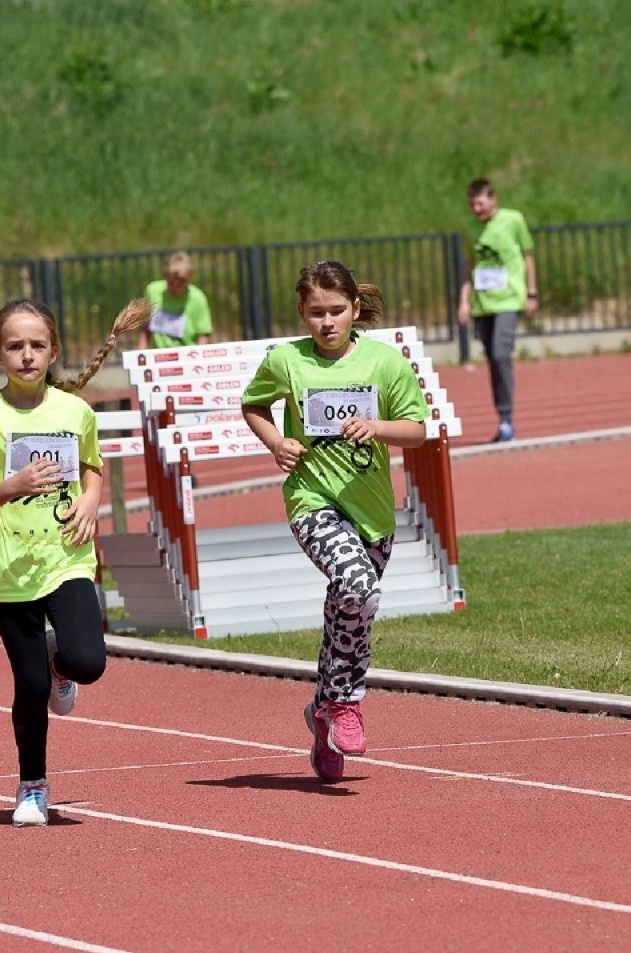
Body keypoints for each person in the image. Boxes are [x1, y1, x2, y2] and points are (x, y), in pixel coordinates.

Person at [240, 261, 429, 783]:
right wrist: (277, 441)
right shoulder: (286, 361)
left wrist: (376, 426)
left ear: (355, 311)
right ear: (302, 313)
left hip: (372, 511)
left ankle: (323, 710)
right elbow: (253, 405)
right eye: (316, 312)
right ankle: (346, 704)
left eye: (337, 311)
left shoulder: (385, 364)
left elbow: (416, 430)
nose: (327, 322)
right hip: (312, 499)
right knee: (356, 585)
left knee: (352, 607)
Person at [0, 297, 114, 827]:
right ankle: (32, 785)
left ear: (53, 351)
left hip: (66, 558)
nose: (26, 355)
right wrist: (11, 486)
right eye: (14, 346)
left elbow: (93, 468)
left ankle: (59, 659)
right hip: (9, 569)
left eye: (37, 345)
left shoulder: (74, 411)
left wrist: (89, 501)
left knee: (88, 663)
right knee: (31, 690)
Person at [456, 178, 538, 443]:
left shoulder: (513, 220)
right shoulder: (470, 227)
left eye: (480, 203)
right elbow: (470, 263)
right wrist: (464, 300)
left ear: (493, 199)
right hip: (483, 304)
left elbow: (527, 257)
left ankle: (506, 418)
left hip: (509, 300)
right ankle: (504, 421)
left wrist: (532, 294)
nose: (476, 210)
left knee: (502, 354)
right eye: (472, 205)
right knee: (493, 359)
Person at [139, 251, 214, 350]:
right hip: (159, 355)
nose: (175, 287)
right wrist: (141, 354)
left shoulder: (198, 298)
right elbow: (145, 328)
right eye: (171, 282)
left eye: (180, 284)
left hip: (188, 354)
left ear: (188, 280)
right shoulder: (152, 291)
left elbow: (203, 335)